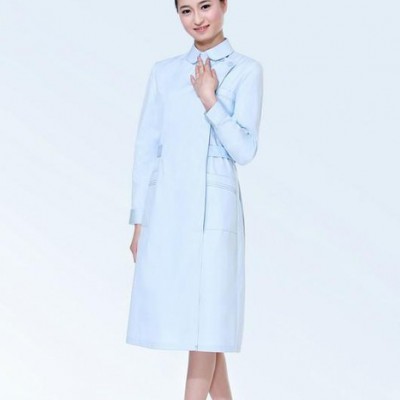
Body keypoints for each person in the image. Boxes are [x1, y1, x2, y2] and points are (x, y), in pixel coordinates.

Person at [126, 0, 264, 398]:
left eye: (205, 6)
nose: (197, 19)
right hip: (168, 209)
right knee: (202, 327)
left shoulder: (245, 70)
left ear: (224, 6)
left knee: (207, 325)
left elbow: (244, 150)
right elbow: (147, 150)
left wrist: (210, 100)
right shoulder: (164, 73)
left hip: (213, 214)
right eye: (186, 10)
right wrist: (140, 221)